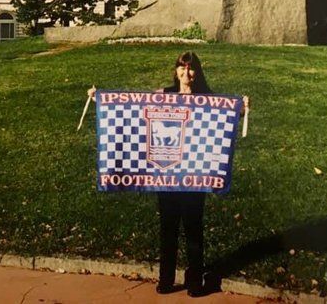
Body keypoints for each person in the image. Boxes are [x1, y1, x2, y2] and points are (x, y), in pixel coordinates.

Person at [88, 52, 249, 296]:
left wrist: (243, 109)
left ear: (198, 71)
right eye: (182, 68)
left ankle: (195, 280)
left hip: (195, 176)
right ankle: (166, 279)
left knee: (194, 229)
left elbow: (227, 117)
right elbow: (131, 107)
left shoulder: (208, 99)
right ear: (175, 71)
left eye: (191, 69)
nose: (187, 73)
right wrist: (99, 98)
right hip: (165, 176)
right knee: (168, 229)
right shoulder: (163, 95)